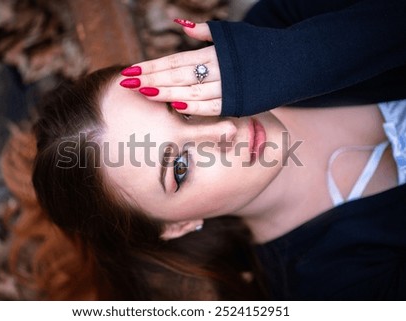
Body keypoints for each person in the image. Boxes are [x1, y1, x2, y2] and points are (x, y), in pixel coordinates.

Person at [28, 0, 406, 299]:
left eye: (180, 107)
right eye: (179, 168)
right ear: (177, 226)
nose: (224, 130)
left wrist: (303, 55)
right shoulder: (335, 286)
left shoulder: (277, 29)